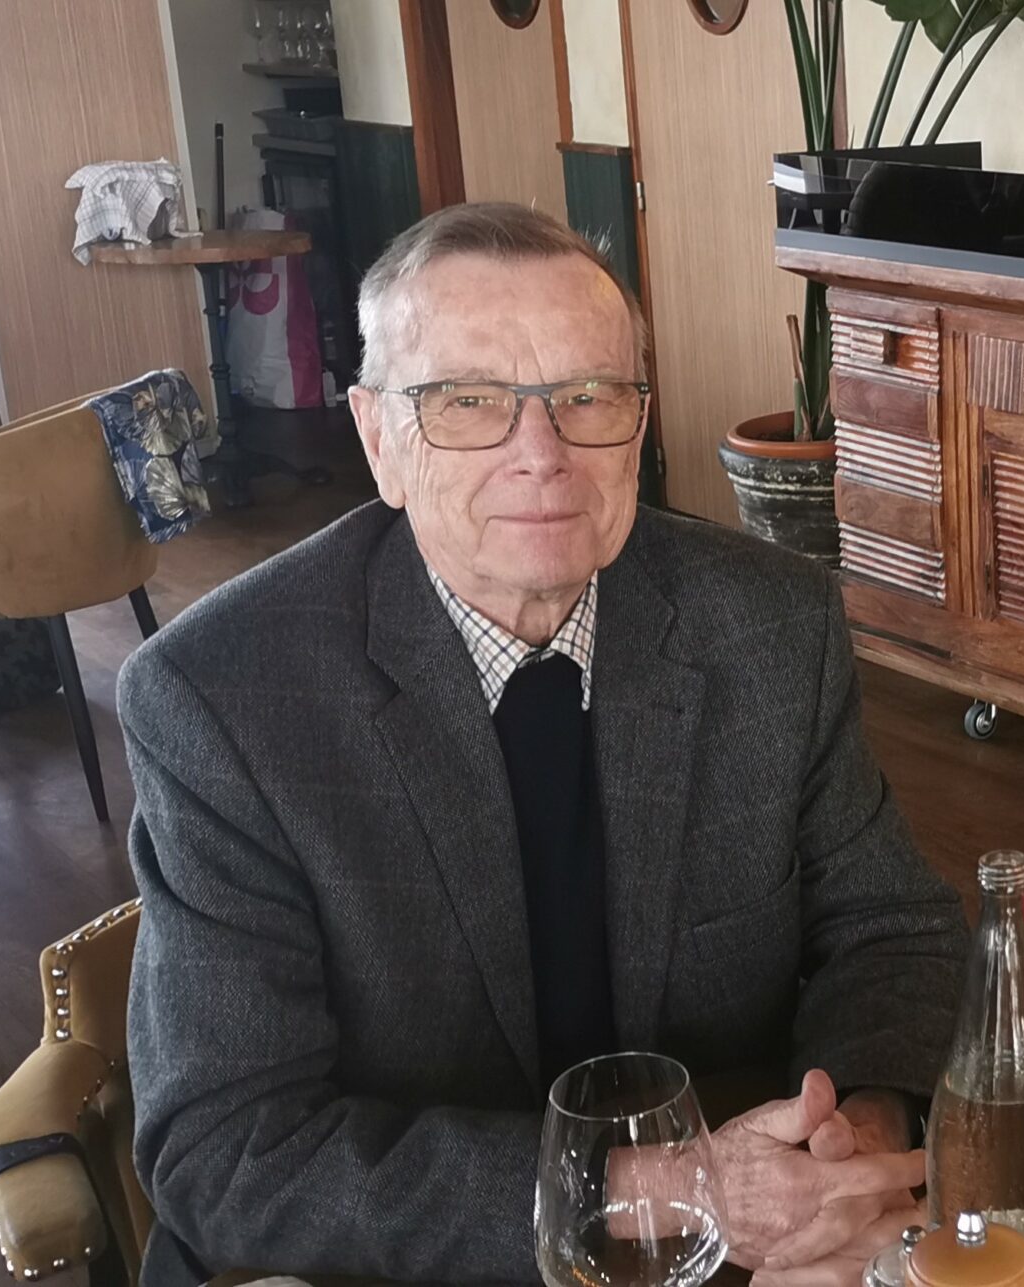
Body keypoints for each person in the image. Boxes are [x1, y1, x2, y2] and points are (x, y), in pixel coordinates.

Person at [121, 203, 967, 1287]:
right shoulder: (223, 698)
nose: (543, 455)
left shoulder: (771, 625)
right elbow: (229, 1152)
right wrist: (653, 1191)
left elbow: (892, 932)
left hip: (754, 1246)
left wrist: (847, 1146)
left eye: (589, 397)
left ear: (639, 424)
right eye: (468, 402)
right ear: (380, 440)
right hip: (408, 1261)